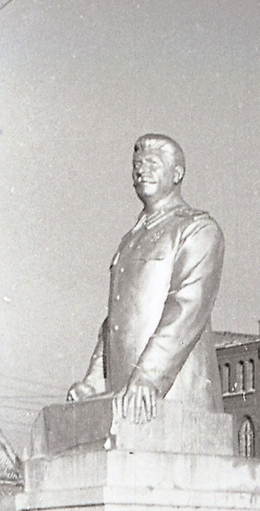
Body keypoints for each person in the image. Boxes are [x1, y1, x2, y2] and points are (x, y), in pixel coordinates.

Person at [67, 134, 225, 422]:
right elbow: (114, 320)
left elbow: (187, 308)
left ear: (178, 173)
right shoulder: (130, 240)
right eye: (136, 164)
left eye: (153, 163)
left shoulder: (197, 229)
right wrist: (94, 380)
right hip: (126, 395)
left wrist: (149, 377)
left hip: (173, 400)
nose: (142, 170)